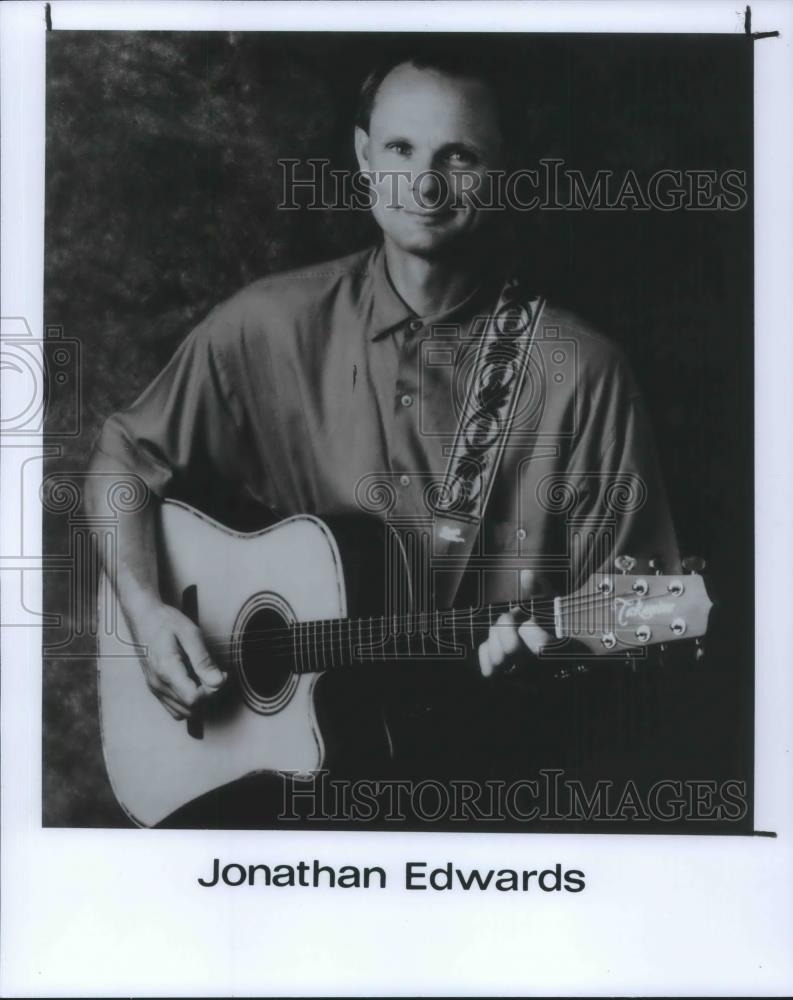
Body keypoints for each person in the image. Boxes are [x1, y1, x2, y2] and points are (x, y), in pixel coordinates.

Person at [87, 44, 680, 825]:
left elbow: (654, 608)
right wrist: (145, 606)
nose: (424, 185)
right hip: (287, 796)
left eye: (459, 156)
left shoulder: (584, 371)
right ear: (363, 155)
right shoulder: (269, 323)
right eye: (400, 148)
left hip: (491, 794)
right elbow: (121, 462)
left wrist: (558, 657)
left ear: (505, 171)